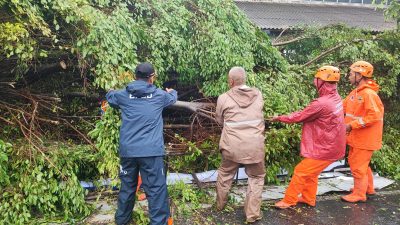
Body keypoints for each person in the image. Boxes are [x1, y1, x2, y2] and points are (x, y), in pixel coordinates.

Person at [106, 62, 177, 225]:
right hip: (151, 152)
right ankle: (158, 222)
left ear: (135, 76)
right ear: (151, 78)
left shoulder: (123, 95)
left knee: (127, 188)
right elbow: (172, 98)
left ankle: (122, 221)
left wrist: (110, 92)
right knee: (156, 190)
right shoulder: (160, 95)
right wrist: (173, 91)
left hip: (128, 151)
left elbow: (110, 98)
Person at [271, 66, 346, 209]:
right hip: (332, 145)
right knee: (311, 173)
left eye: (316, 78)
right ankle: (308, 198)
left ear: (322, 82)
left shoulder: (321, 103)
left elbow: (299, 116)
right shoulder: (335, 98)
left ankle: (289, 200)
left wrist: (279, 118)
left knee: (300, 171)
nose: (314, 80)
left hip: (326, 148)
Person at [215, 67, 265, 223]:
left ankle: (220, 206)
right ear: (244, 79)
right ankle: (252, 215)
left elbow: (219, 121)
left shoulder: (223, 98)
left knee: (225, 174)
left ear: (231, 81)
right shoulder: (258, 95)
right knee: (256, 177)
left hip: (232, 147)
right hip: (255, 147)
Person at [341, 61, 384, 203]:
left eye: (351, 73)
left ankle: (359, 194)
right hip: (357, 137)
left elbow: (374, 116)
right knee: (361, 164)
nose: (349, 76)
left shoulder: (368, 94)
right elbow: (342, 107)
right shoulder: (355, 93)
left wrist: (352, 125)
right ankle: (368, 188)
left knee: (357, 165)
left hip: (365, 139)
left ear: (360, 75)